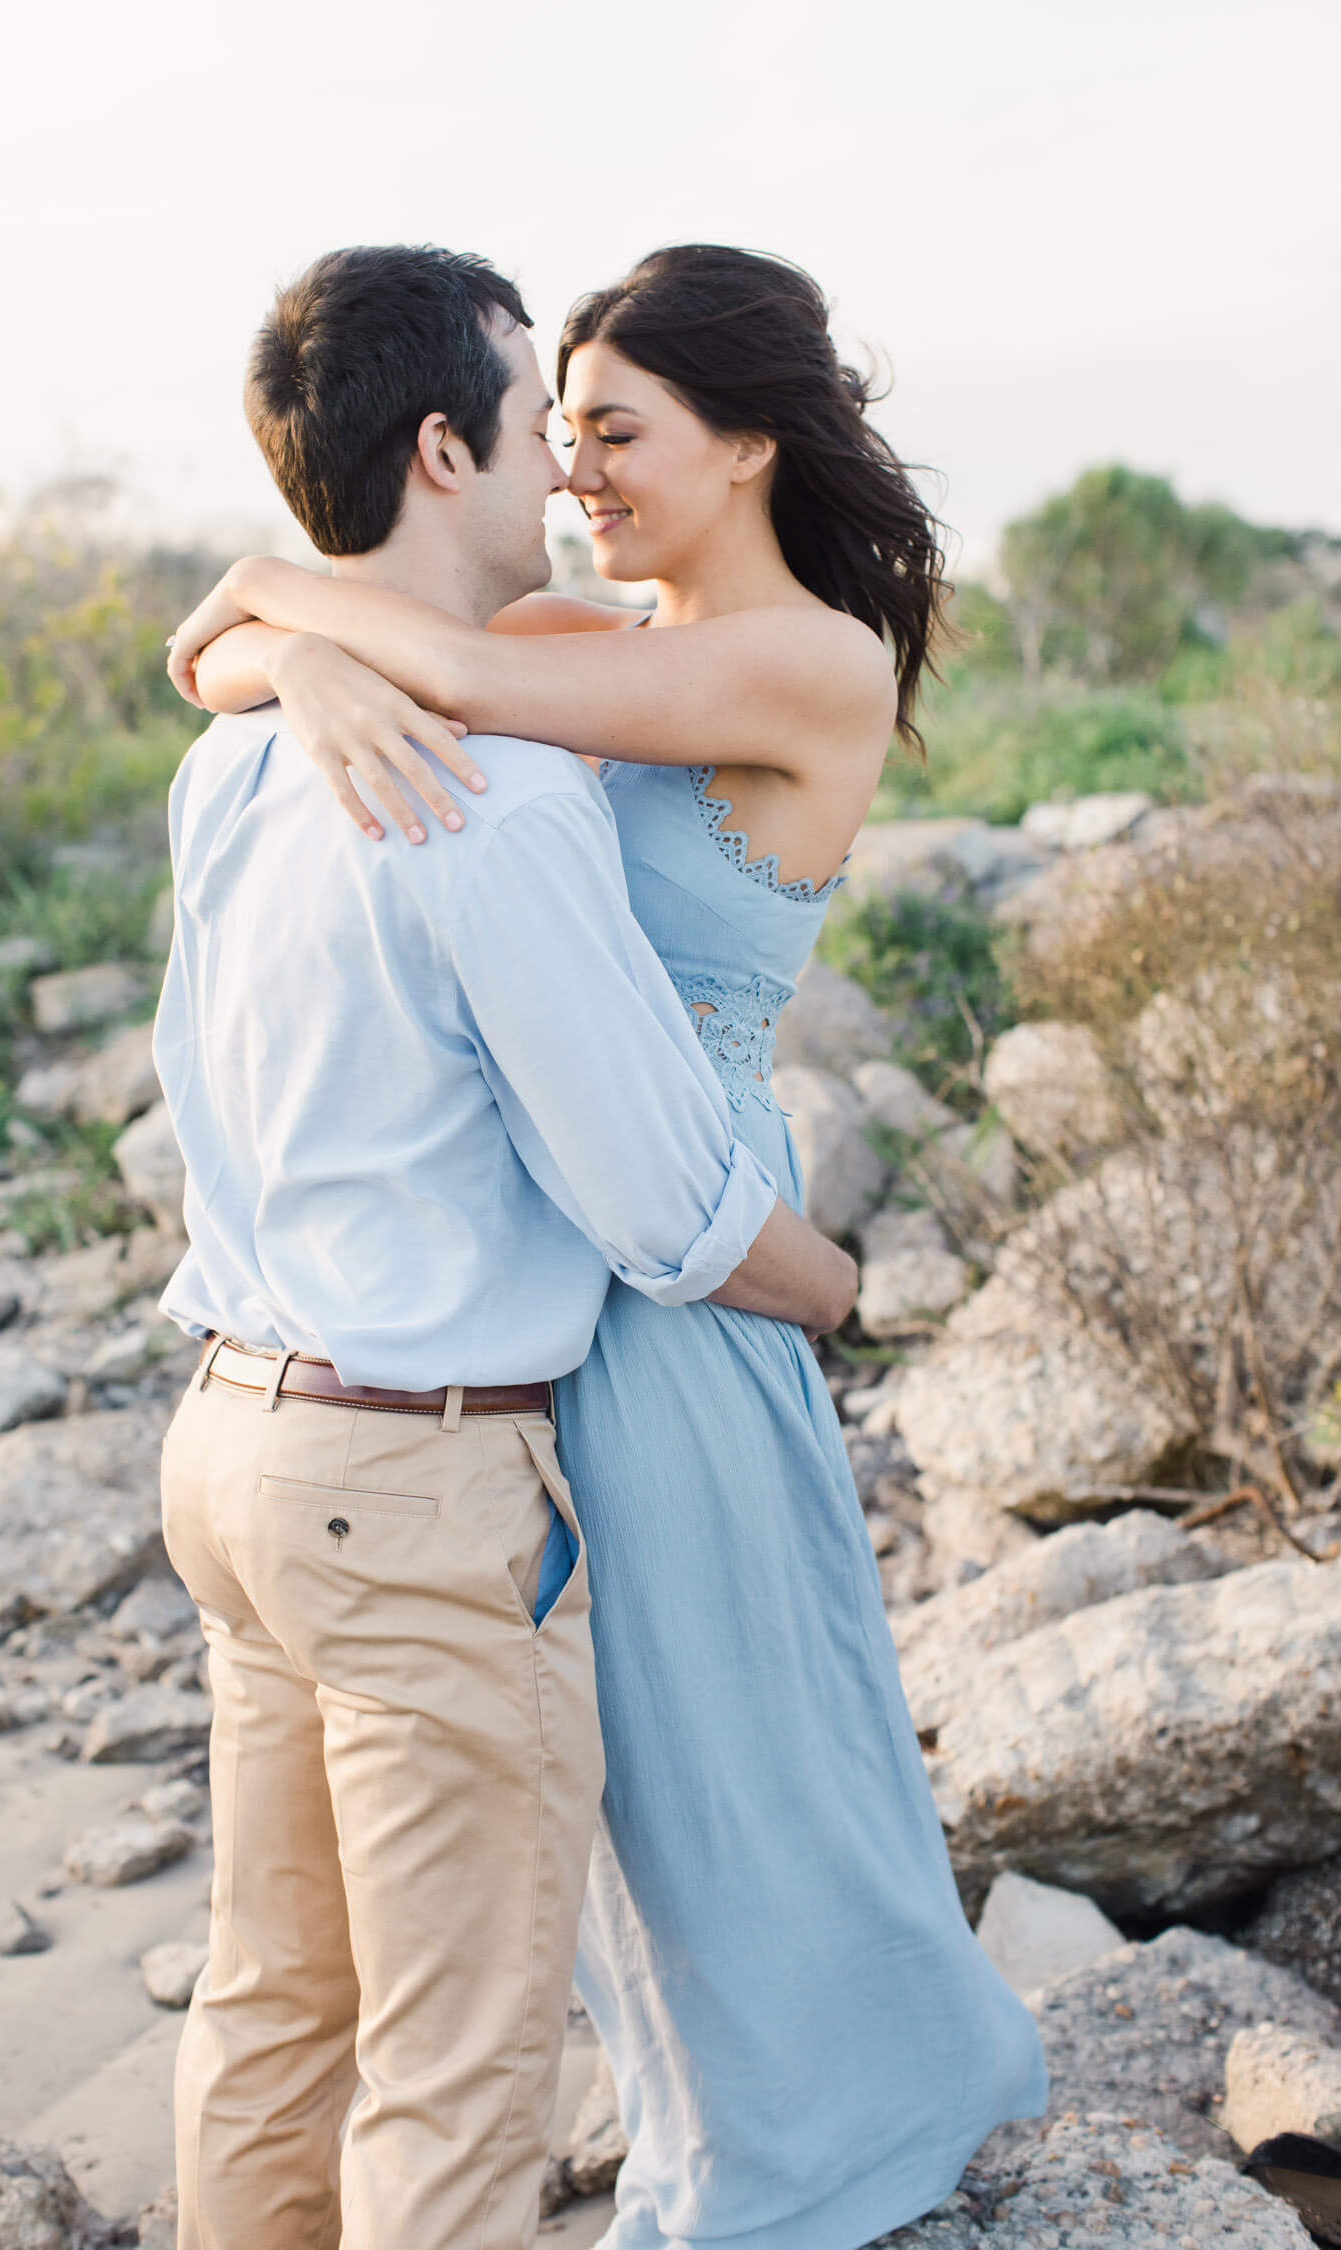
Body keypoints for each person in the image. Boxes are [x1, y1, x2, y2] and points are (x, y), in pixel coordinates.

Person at [171, 242, 1048, 2249]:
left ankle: (816, 2139)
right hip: (565, 1265)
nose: (574, 477)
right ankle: (694, 2131)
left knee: (743, 1749)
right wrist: (302, 652)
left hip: (693, 1251)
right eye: (557, 435)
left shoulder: (805, 658)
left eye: (618, 433)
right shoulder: (580, 627)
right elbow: (229, 647)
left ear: (749, 442)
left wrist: (315, 635)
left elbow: (439, 666)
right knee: (614, 1788)